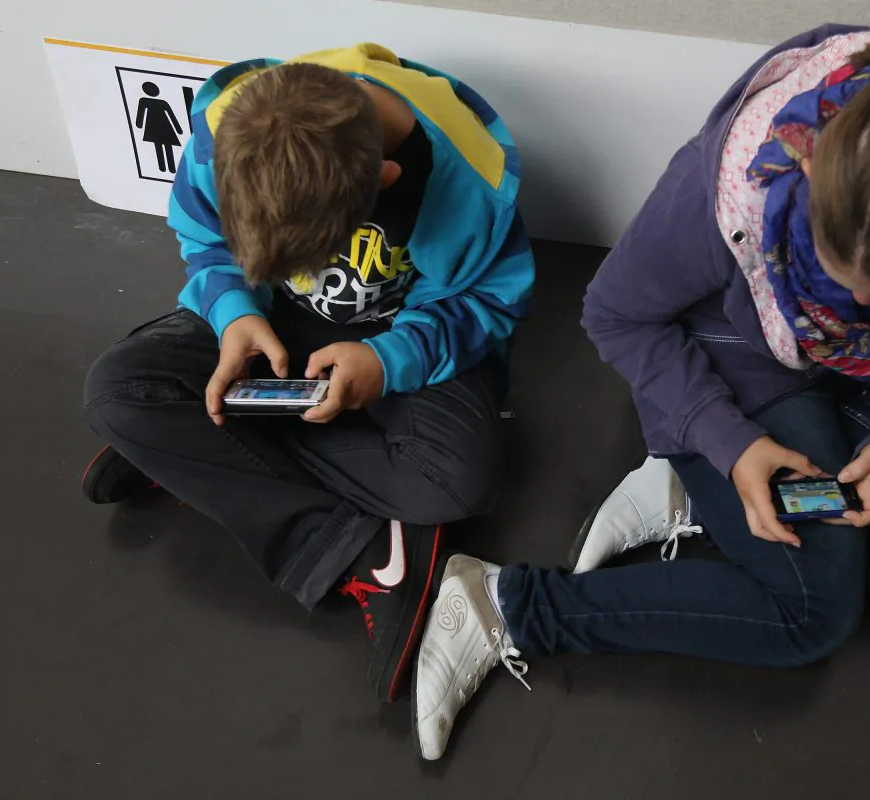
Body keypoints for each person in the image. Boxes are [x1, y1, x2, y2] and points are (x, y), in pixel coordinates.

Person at [407, 21, 870, 760]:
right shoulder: (733, 182)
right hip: (733, 359)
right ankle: (505, 608)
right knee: (813, 615)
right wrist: (730, 440)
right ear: (807, 177)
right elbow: (615, 314)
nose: (855, 311)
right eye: (834, 283)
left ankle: (703, 499)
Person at [82, 44, 534, 704]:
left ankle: (205, 452)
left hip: (407, 337)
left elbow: (487, 303)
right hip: (273, 325)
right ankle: (365, 548)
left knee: (458, 481)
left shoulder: (464, 174)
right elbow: (207, 241)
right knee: (115, 392)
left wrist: (386, 361)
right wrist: (235, 312)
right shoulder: (227, 129)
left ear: (381, 179)